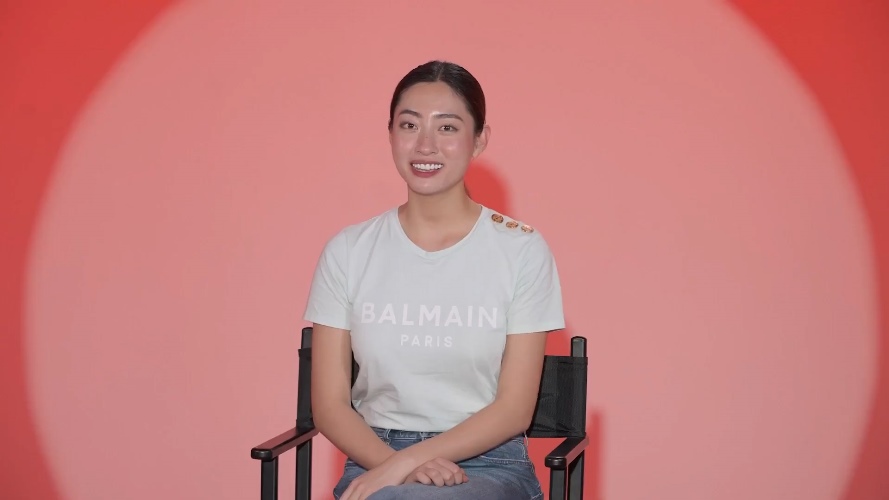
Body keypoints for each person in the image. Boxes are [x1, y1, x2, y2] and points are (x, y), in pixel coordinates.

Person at [304, 60, 565, 500]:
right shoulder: (348, 251)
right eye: (409, 125)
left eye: (447, 128)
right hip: (373, 456)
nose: (425, 145)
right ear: (390, 134)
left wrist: (405, 465)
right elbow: (330, 405)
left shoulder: (521, 250)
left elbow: (515, 409)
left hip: (489, 463)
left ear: (479, 140)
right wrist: (391, 465)